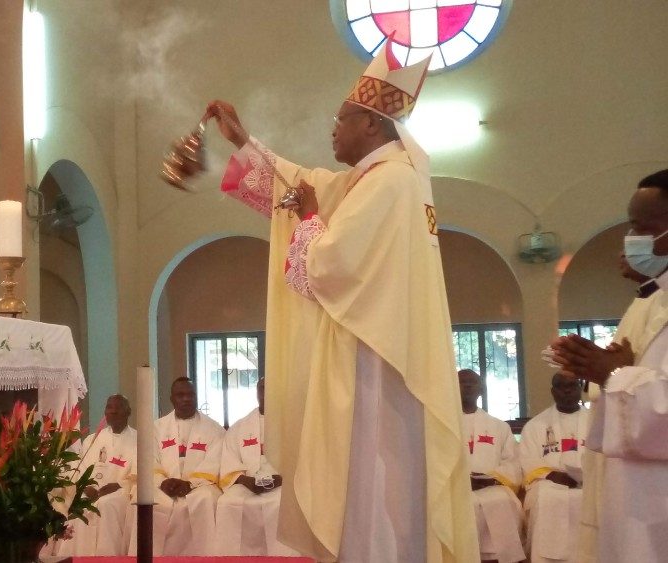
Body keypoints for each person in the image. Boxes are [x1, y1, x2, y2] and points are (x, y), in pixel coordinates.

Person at [203, 41, 477, 562]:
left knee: (374, 493)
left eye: (341, 118)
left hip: (378, 370)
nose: (333, 128)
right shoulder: (378, 178)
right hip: (380, 359)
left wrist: (308, 222)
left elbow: (326, 266)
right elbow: (304, 183)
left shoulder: (388, 182)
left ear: (372, 124)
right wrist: (243, 143)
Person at [551, 168, 668, 562]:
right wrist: (601, 366)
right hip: (638, 485)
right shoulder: (658, 296)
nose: (630, 240)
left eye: (642, 226)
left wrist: (612, 373)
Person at [213, 377, 299, 556]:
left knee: (279, 504)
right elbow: (229, 461)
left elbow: (299, 458)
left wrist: (281, 478)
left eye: (270, 388)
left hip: (281, 483)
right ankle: (233, 558)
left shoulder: (292, 424)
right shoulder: (239, 427)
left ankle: (282, 558)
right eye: (262, 388)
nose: (266, 393)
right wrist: (247, 481)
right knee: (228, 502)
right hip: (248, 482)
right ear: (257, 392)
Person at [150, 377, 224, 555]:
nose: (186, 399)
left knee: (205, 499)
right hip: (164, 486)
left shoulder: (214, 429)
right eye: (180, 395)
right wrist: (162, 481)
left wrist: (190, 483)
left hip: (200, 486)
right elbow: (149, 459)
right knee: (147, 502)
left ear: (196, 397)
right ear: (171, 399)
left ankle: (205, 556)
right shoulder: (156, 428)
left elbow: (216, 460)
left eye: (190, 395)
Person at [519, 374, 588, 563]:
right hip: (548, 483)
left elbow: (605, 456)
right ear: (552, 391)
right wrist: (551, 475)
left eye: (572, 385)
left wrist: (588, 475)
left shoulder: (596, 421)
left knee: (593, 498)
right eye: (561, 386)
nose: (567, 390)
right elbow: (527, 459)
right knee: (545, 497)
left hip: (589, 483)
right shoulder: (535, 426)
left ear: (580, 388)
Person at [56, 395, 136, 557]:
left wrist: (119, 485)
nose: (112, 411)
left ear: (128, 412)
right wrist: (85, 486)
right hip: (91, 490)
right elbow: (81, 468)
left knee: (106, 505)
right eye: (109, 407)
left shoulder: (138, 440)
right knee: (77, 502)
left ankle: (107, 557)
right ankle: (77, 556)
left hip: (120, 492)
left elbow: (138, 474)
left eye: (118, 407)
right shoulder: (92, 439)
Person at [458, 369, 525, 563]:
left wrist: (493, 478)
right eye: (462, 382)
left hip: (493, 485)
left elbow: (512, 461)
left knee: (505, 502)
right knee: (465, 505)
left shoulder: (498, 426)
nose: (468, 386)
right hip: (456, 488)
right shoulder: (444, 425)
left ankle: (501, 558)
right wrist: (462, 479)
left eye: (473, 382)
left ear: (481, 389)